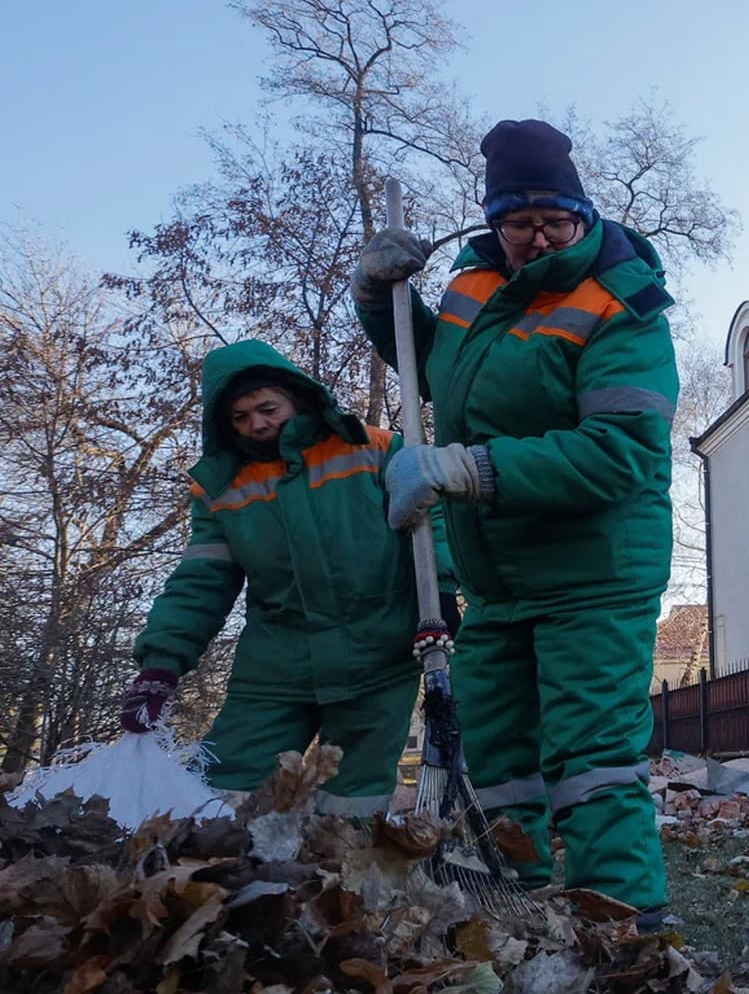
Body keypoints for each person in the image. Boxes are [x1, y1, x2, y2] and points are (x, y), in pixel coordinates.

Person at [353, 119, 678, 919]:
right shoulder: (475, 282)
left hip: (594, 573)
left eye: (554, 222)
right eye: (518, 222)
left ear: (582, 212)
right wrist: (377, 296)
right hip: (500, 578)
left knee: (591, 759)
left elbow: (623, 451)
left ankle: (628, 929)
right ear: (491, 219)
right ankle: (514, 907)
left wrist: (467, 468)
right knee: (498, 761)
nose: (536, 238)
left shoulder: (621, 301)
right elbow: (440, 367)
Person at [124, 340, 458, 815]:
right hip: (275, 669)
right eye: (239, 417)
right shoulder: (220, 490)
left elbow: (430, 524)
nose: (257, 424)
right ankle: (215, 882)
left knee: (354, 804)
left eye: (266, 407)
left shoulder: (375, 450)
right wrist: (161, 664)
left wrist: (440, 597)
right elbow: (201, 580)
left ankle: (349, 887)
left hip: (380, 656)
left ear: (296, 396)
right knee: (221, 790)